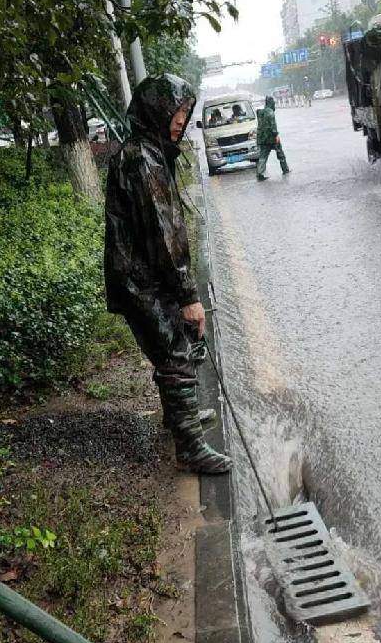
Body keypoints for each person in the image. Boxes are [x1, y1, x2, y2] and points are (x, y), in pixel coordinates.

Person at [104, 74, 232, 475]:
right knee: (177, 353)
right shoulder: (143, 159)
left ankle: (180, 419)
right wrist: (189, 296)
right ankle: (190, 447)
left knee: (168, 350)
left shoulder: (148, 152)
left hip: (140, 277)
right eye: (177, 112)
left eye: (185, 113)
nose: (182, 120)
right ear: (157, 111)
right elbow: (163, 235)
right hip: (142, 281)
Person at [255, 95, 289, 181]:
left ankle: (260, 174)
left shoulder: (260, 112)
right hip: (271, 138)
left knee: (263, 156)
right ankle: (285, 169)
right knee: (280, 154)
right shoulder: (270, 112)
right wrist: (276, 135)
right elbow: (273, 126)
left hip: (262, 138)